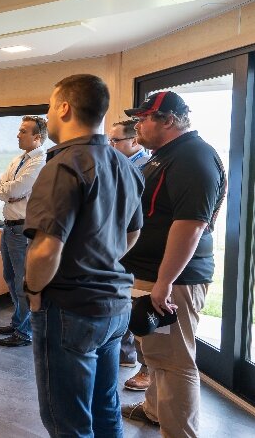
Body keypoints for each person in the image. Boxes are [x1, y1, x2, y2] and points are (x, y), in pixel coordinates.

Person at [24, 74, 144, 436]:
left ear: (64, 107)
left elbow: (46, 250)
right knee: (106, 410)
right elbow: (133, 231)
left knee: (67, 422)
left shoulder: (62, 166)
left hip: (70, 310)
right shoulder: (125, 165)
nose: (49, 112)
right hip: (114, 308)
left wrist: (32, 293)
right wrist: (101, 260)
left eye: (49, 105)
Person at [120, 91, 226, 437]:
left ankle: (178, 431)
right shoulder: (162, 156)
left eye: (144, 118)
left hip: (173, 281)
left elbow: (191, 225)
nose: (138, 125)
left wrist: (164, 284)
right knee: (154, 353)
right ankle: (154, 412)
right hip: (151, 275)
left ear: (168, 120)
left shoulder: (193, 156)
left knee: (174, 362)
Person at [0, 116, 47, 347]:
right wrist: (10, 193)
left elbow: (19, 188)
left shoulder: (40, 161)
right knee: (9, 277)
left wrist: (12, 192)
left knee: (22, 283)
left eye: (23, 131)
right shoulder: (18, 160)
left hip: (24, 228)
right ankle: (18, 322)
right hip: (8, 227)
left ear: (37, 137)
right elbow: (1, 189)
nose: (17, 135)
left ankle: (25, 332)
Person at [109, 118, 152, 390]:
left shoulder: (143, 168)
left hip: (137, 248)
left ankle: (145, 368)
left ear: (133, 141)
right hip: (123, 246)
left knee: (138, 307)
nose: (110, 145)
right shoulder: (123, 165)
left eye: (115, 141)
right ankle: (125, 356)